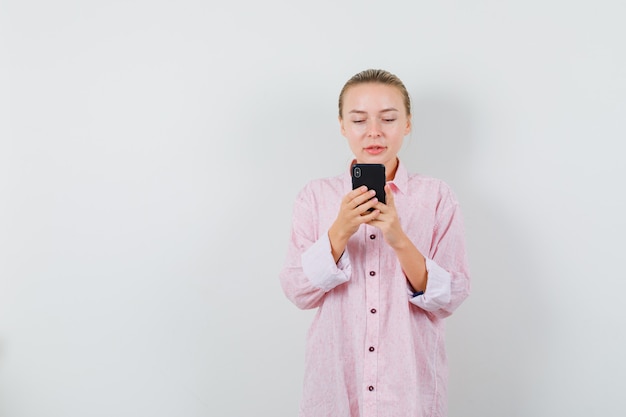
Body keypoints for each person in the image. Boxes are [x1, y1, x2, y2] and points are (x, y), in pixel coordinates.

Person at [279, 69, 471, 417]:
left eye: (388, 118)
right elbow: (297, 290)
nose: (374, 131)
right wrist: (340, 230)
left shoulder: (437, 197)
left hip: (409, 390)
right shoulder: (315, 197)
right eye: (358, 119)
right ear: (341, 125)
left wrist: (398, 238)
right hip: (336, 388)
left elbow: (450, 296)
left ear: (408, 123)